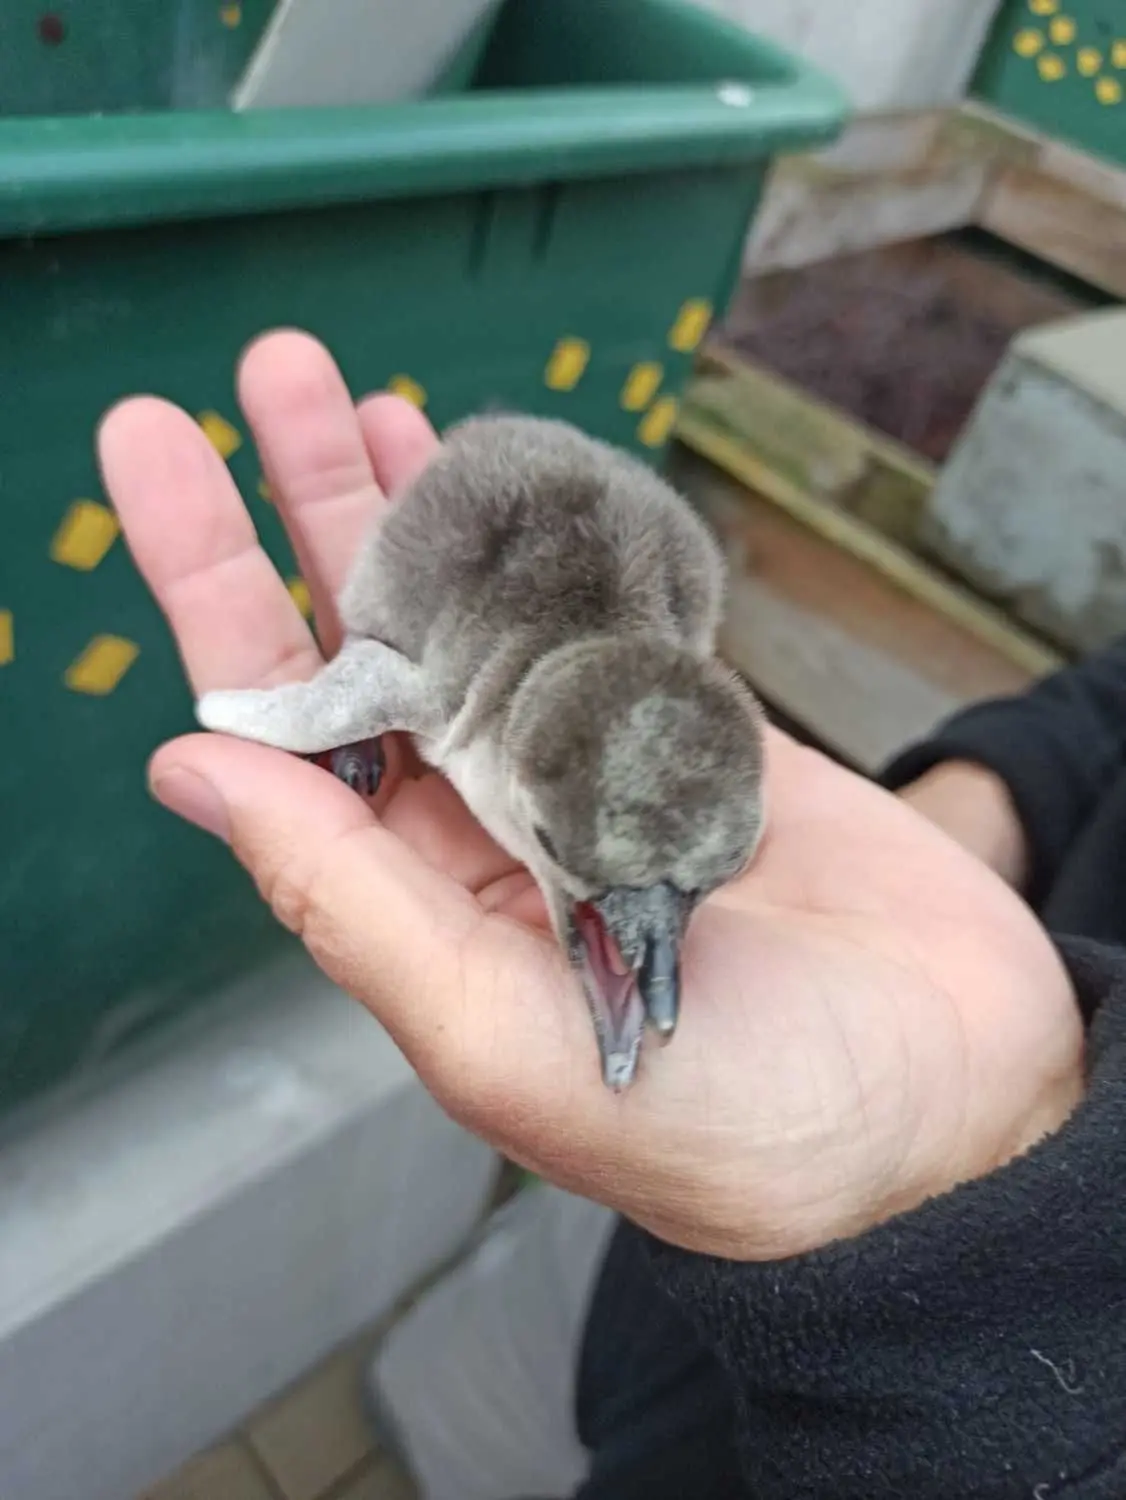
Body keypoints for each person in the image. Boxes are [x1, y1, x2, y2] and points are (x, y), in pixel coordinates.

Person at [99, 330, 1126, 1500]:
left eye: (691, 893)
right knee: (529, 1402)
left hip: (893, 1334)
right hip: (660, 1306)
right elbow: (1104, 706)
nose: (651, 944)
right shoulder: (462, 663)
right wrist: (988, 803)